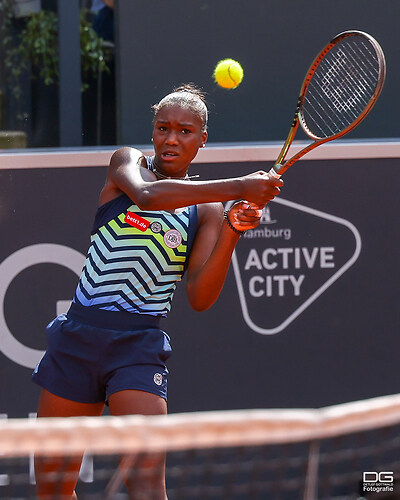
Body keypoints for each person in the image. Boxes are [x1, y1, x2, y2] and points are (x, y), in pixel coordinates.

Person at [32, 84, 284, 499]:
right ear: (152, 131)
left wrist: (232, 231)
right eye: (163, 127)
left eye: (185, 131)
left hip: (137, 348)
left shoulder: (205, 211)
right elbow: (149, 198)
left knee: (147, 486)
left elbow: (200, 297)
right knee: (53, 487)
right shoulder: (128, 164)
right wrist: (239, 185)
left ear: (202, 139)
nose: (171, 138)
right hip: (77, 339)